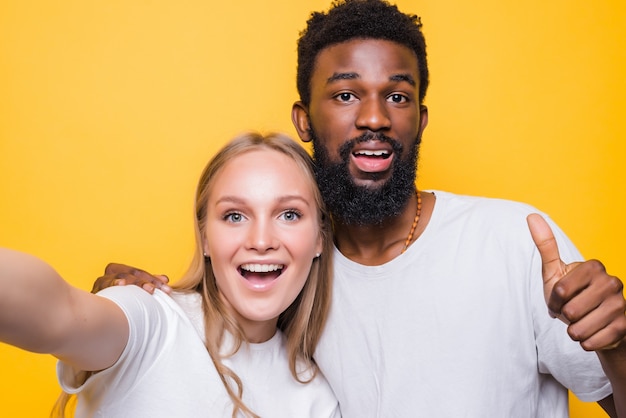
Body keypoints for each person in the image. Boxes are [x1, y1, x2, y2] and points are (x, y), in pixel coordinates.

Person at [95, 0, 626, 416]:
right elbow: (201, 338)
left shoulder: (514, 242)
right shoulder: (285, 276)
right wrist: (133, 307)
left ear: (420, 118)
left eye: (397, 96)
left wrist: (618, 347)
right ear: (303, 121)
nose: (374, 117)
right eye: (346, 95)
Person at [0, 132, 340, 418]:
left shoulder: (319, 401)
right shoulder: (153, 318)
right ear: (205, 238)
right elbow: (57, 314)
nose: (261, 241)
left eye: (290, 214)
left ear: (319, 239)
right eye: (235, 216)